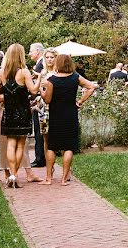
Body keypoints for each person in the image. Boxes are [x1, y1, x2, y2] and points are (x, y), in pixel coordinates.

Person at [41, 53, 97, 185]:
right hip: (70, 114)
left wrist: (42, 91)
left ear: (57, 64)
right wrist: (80, 101)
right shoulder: (75, 77)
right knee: (68, 147)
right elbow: (91, 87)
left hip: (55, 115)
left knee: (51, 146)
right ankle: (64, 179)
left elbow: (47, 100)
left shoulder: (51, 80)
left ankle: (49, 178)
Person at [0, 44, 43, 188]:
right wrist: (38, 79)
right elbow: (33, 90)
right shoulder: (24, 72)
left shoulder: (2, 72)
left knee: (10, 144)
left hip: (8, 112)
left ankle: (11, 176)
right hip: (23, 113)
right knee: (20, 145)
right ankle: (14, 174)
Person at [28, 42, 46, 168]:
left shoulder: (41, 65)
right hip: (37, 100)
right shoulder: (39, 64)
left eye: (31, 51)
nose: (29, 54)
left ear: (38, 51)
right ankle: (40, 157)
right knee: (39, 130)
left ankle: (40, 158)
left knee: (39, 130)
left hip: (39, 102)